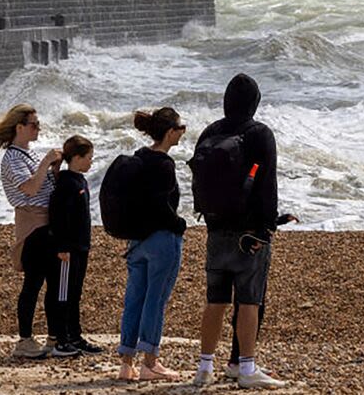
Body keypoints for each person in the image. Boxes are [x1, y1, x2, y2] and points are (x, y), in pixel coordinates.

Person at [192, 74, 287, 389]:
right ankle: (245, 368)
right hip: (249, 231)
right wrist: (267, 226)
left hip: (215, 227)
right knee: (249, 301)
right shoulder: (259, 134)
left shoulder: (210, 131)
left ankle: (204, 367)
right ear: (254, 103)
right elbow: (267, 184)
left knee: (215, 300)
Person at [0, 104, 67, 359]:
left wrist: (53, 169)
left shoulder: (28, 155)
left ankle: (54, 337)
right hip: (32, 227)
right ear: (19, 127)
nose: (38, 128)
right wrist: (46, 163)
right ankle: (25, 340)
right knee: (33, 284)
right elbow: (30, 189)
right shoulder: (12, 158)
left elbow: (43, 185)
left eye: (38, 123)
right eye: (33, 124)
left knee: (54, 283)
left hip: (47, 225)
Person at [116, 107, 188, 381]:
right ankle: (151, 362)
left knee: (134, 299)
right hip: (161, 240)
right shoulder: (164, 164)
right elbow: (161, 206)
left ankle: (126, 363)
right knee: (155, 301)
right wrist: (179, 224)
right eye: (180, 127)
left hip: (137, 240)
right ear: (170, 132)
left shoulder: (139, 158)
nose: (182, 132)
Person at [224, 213, 299, 381]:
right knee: (251, 303)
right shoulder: (255, 184)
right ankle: (243, 365)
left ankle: (234, 361)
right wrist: (268, 229)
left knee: (239, 303)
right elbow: (259, 202)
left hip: (225, 236)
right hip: (251, 240)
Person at [48, 135, 104, 357]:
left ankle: (75, 336)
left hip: (81, 247)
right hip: (66, 250)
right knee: (62, 295)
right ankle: (61, 341)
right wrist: (61, 247)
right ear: (77, 157)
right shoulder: (65, 182)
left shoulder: (81, 180)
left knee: (75, 294)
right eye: (89, 157)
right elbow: (57, 216)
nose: (91, 162)